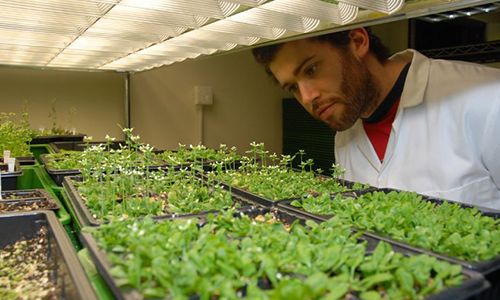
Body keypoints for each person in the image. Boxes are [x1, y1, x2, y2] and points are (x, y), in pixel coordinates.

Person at [252, 27, 500, 210]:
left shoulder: (488, 97)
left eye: (312, 69)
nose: (307, 98)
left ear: (357, 42)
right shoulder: (344, 134)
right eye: (293, 88)